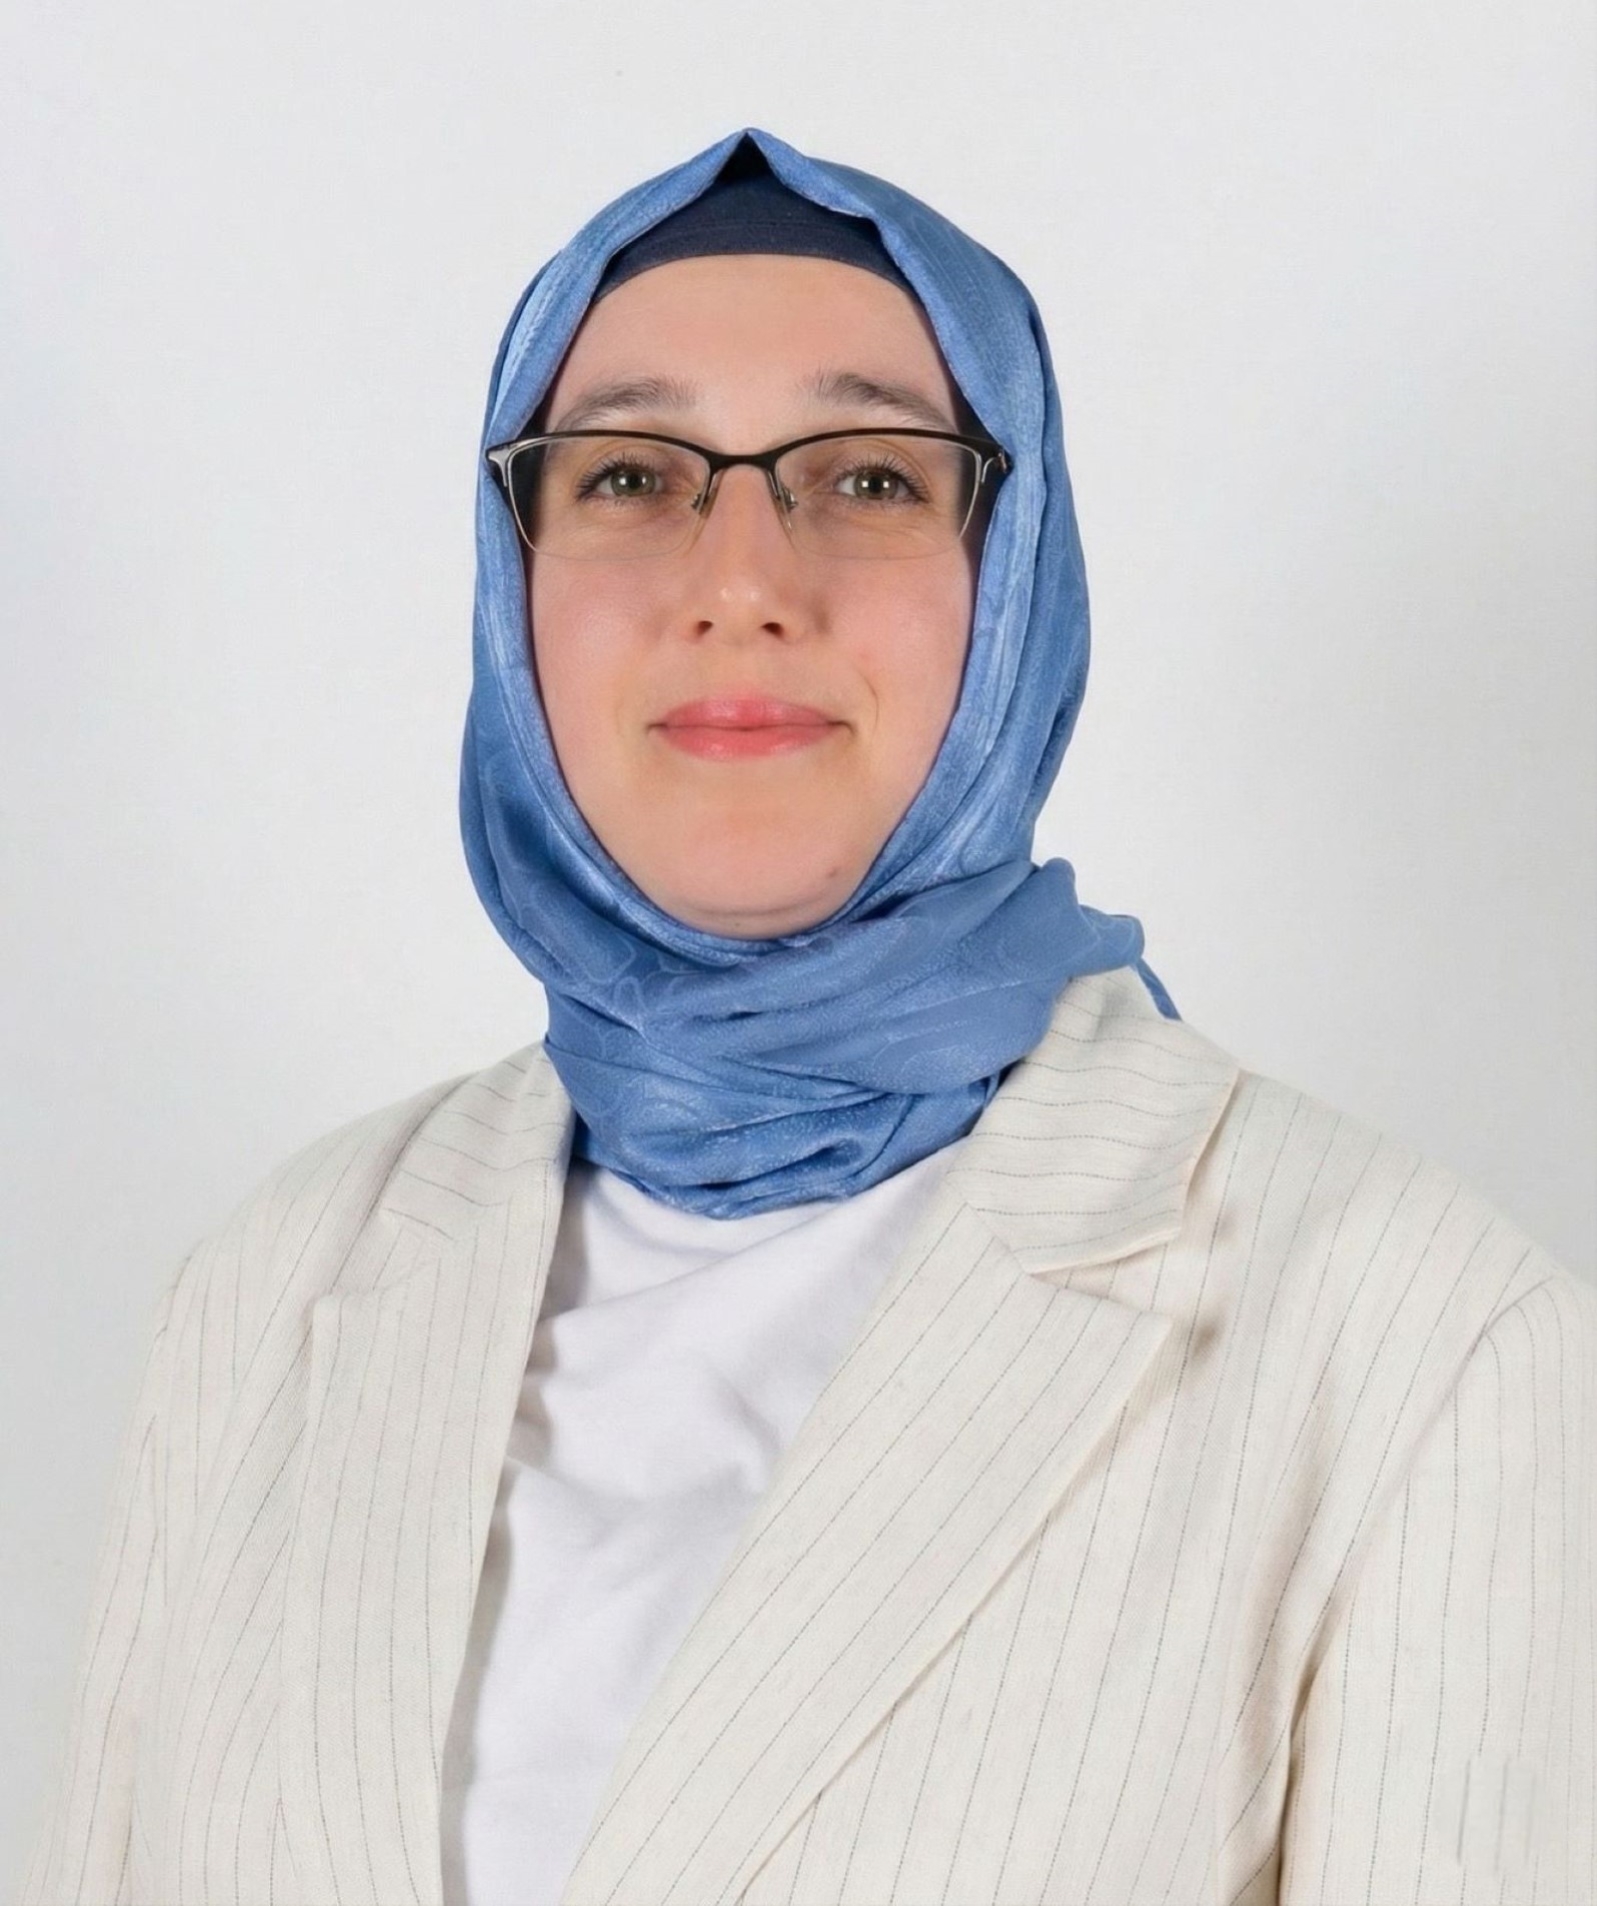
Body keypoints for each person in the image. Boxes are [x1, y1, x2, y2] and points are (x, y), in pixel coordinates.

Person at [18, 127, 1594, 1906]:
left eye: (866, 476)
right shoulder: (270, 1288)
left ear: (1014, 581)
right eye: (629, 474)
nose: (742, 579)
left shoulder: (1420, 1341)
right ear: (510, 581)